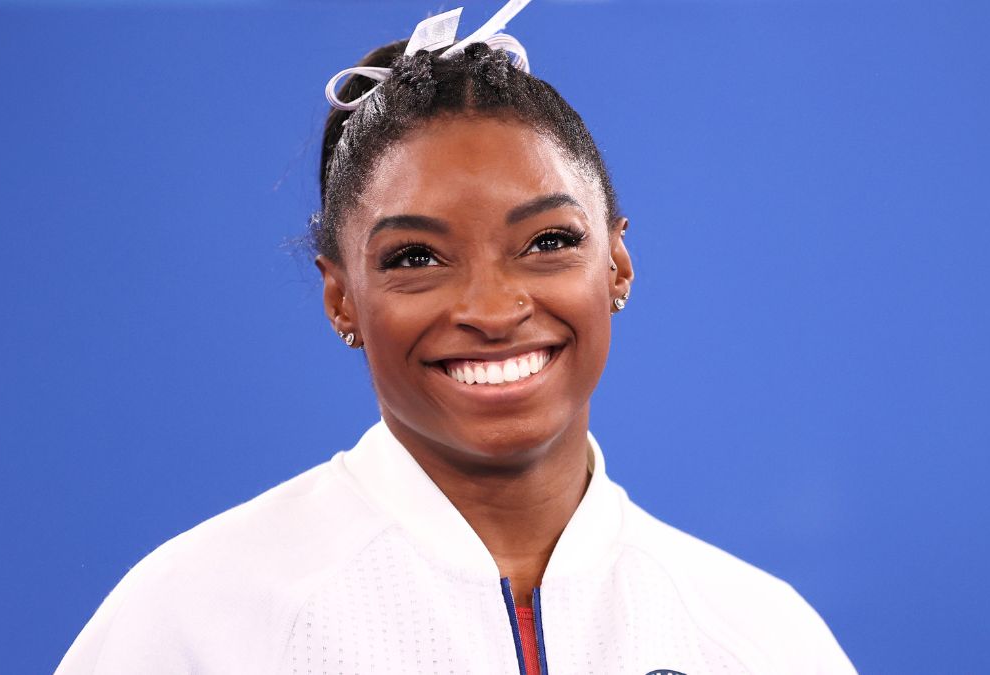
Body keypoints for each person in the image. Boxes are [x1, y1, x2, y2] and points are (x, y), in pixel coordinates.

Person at [56, 3, 856, 673]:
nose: (492, 305)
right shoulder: (199, 622)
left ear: (616, 262)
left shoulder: (762, 636)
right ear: (342, 298)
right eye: (415, 257)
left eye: (548, 241)